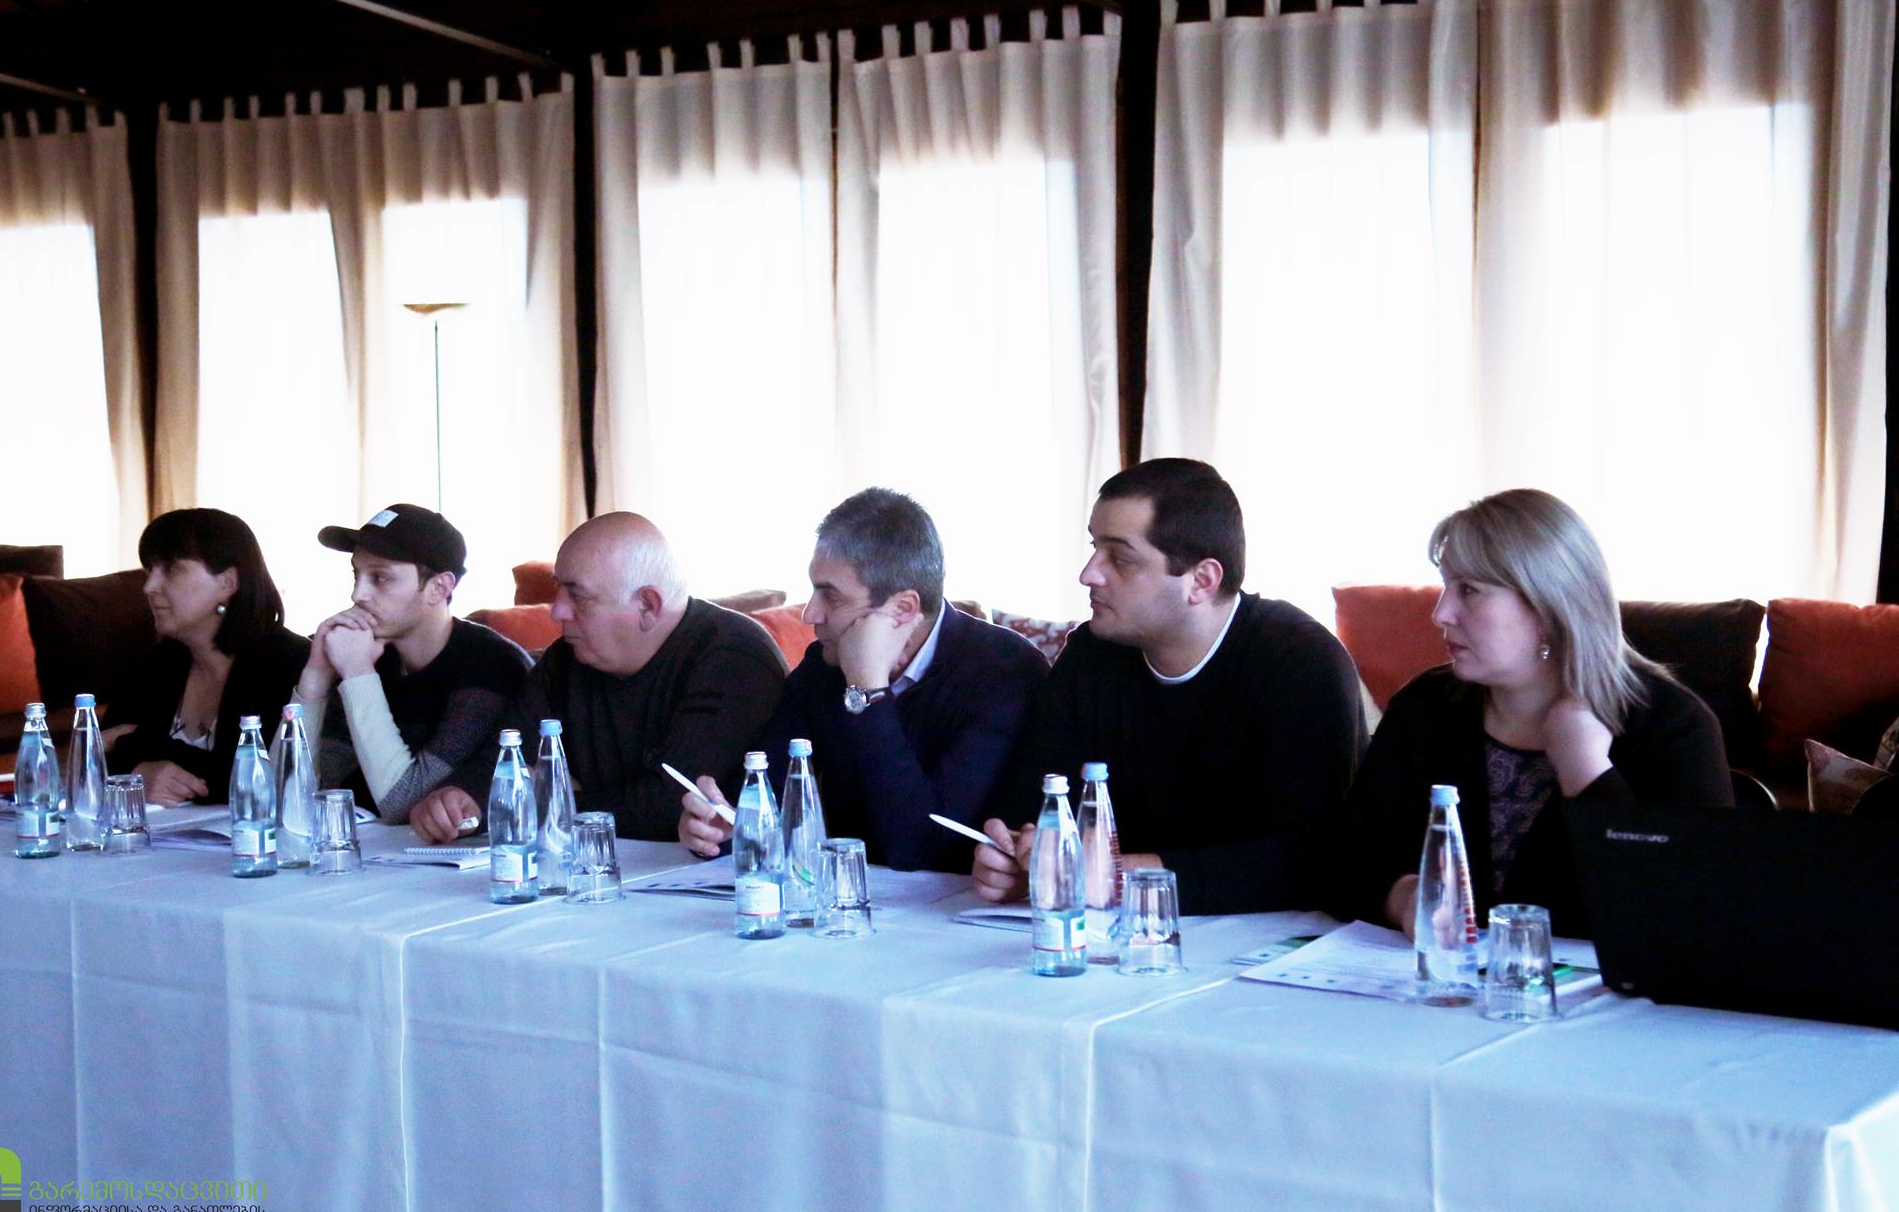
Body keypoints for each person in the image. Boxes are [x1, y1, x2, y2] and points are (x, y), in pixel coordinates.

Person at [969, 458, 1368, 915]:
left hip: (1269, 937)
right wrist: (1013, 856)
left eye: (1120, 558)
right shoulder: (1091, 655)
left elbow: (1312, 860)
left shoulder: (1300, 661)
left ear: (1201, 580)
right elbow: (1033, 801)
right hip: (1110, 931)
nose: (1089, 574)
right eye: (1095, 548)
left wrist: (1119, 876)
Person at [1340, 488, 1732, 939]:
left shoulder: (1673, 726)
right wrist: (1403, 897)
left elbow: (1695, 910)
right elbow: (1343, 861)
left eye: (1469, 590)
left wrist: (1587, 773)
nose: (1441, 613)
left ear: (1549, 608)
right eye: (1447, 585)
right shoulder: (1425, 706)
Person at [676, 487, 1048, 872]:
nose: (809, 614)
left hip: (960, 902)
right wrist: (716, 827)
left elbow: (919, 846)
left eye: (831, 596)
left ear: (903, 608)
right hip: (840, 894)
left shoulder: (1005, 672)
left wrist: (867, 690)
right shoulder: (825, 665)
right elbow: (757, 795)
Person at [407, 513, 787, 842]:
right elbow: (508, 753)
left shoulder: (733, 657)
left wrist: (540, 801)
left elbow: (671, 801)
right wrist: (462, 797)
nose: (557, 611)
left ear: (647, 605)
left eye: (578, 596)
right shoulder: (566, 658)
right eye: (558, 589)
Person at [294, 504, 530, 824]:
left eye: (380, 578)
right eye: (356, 575)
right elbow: (287, 795)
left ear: (439, 588)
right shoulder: (369, 651)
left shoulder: (490, 667)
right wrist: (317, 675)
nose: (357, 595)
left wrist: (358, 673)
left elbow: (404, 805)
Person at [107, 509, 310, 807]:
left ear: (227, 583)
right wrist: (137, 770)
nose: (149, 587)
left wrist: (133, 746)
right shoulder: (158, 661)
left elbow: (254, 776)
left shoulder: (287, 662)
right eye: (150, 570)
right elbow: (95, 753)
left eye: (171, 569)